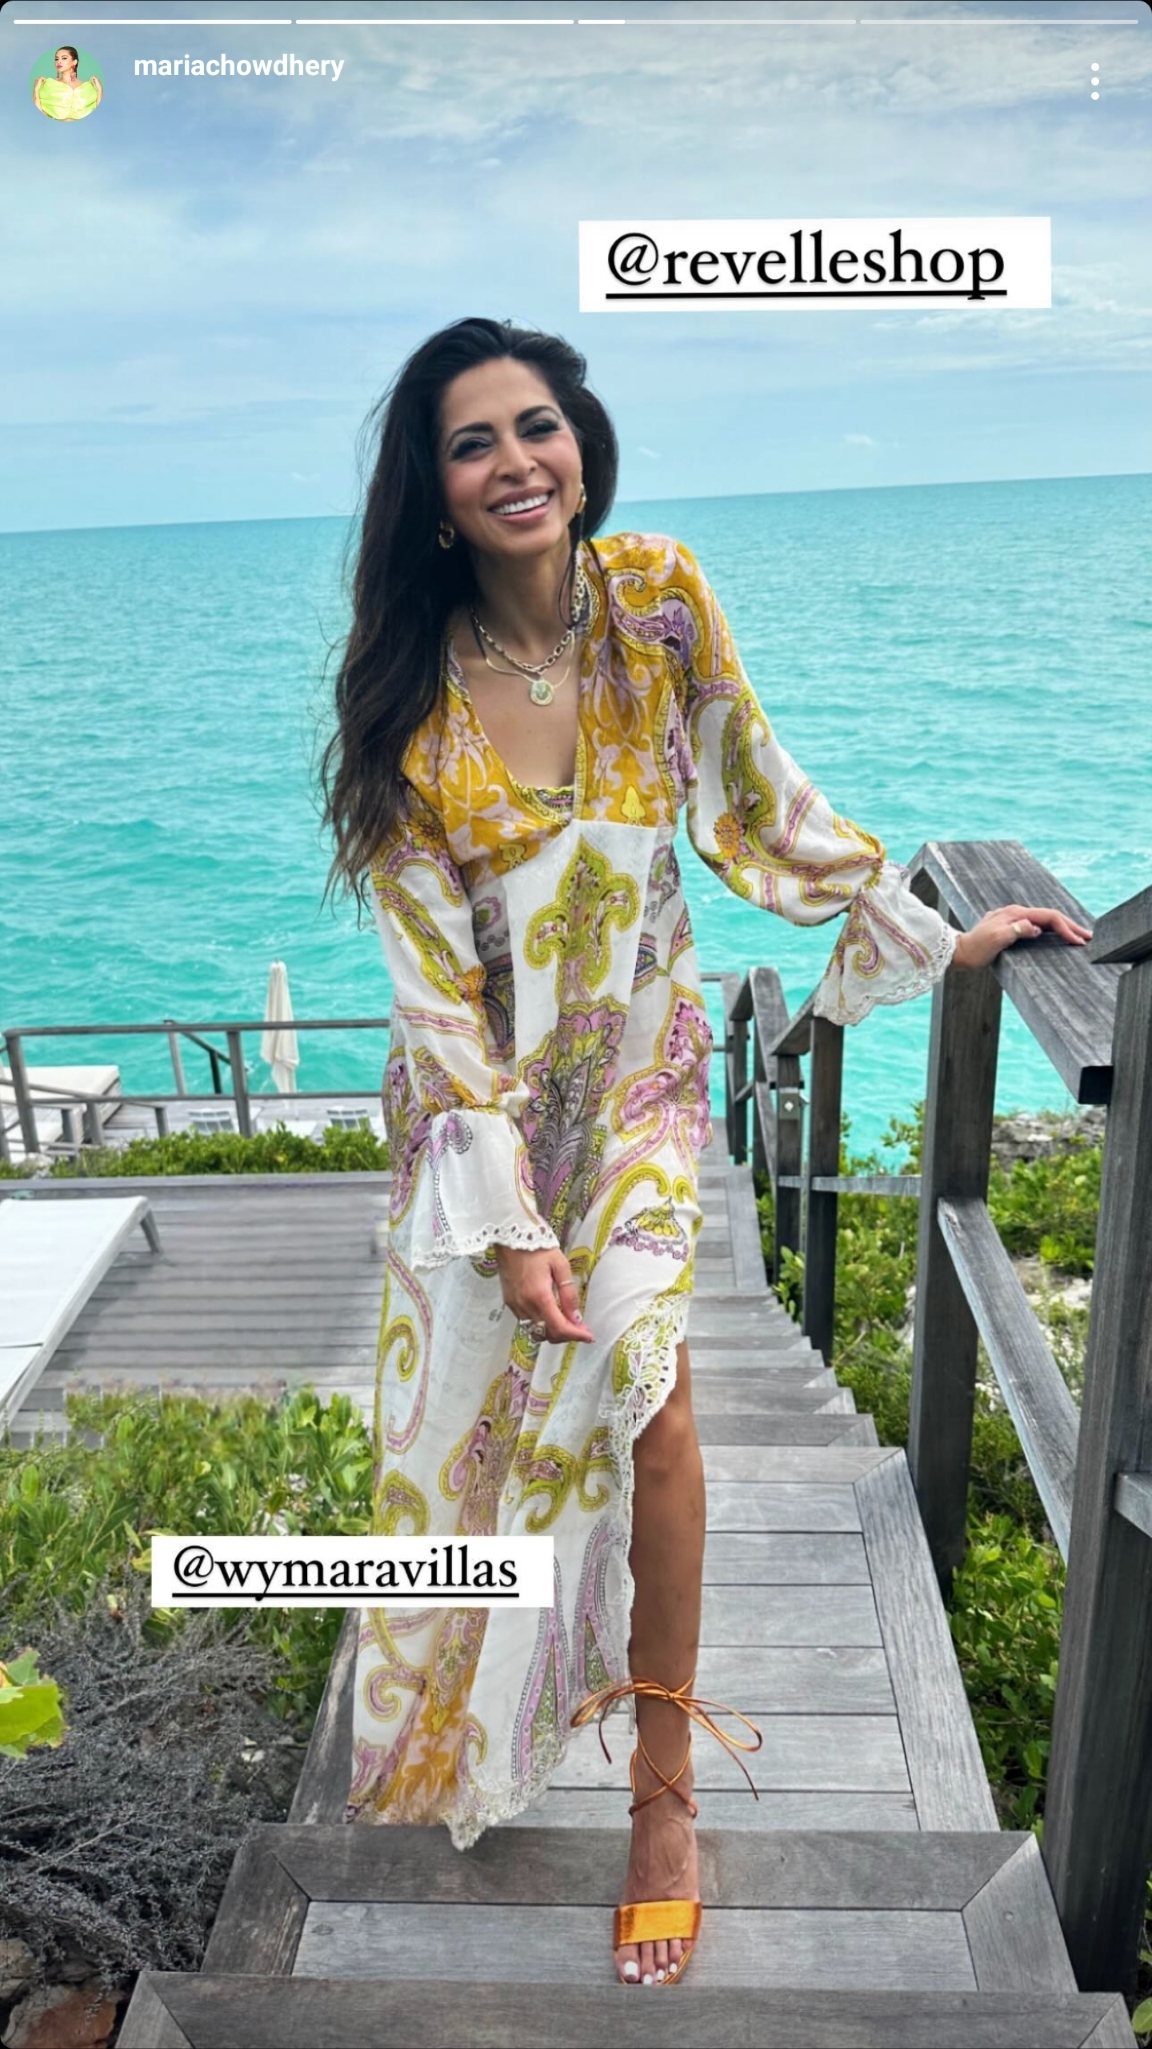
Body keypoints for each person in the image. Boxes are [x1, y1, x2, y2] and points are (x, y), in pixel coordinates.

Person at [321, 317, 1090, 1988]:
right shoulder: (401, 703)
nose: (517, 460)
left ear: (580, 443)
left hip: (650, 1081)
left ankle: (662, 1795)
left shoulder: (658, 599)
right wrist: (505, 1220)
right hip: (490, 1118)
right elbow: (432, 992)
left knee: (653, 1398)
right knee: (479, 1436)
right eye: (473, 441)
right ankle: (474, 1706)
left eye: (538, 424)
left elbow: (754, 798)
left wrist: (924, 928)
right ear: (433, 492)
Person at [33, 46, 102, 122]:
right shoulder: (49, 86)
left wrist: (100, 90)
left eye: (64, 58)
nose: (59, 61)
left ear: (74, 62)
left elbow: (98, 114)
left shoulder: (88, 88)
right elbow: (39, 115)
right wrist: (36, 90)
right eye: (56, 59)